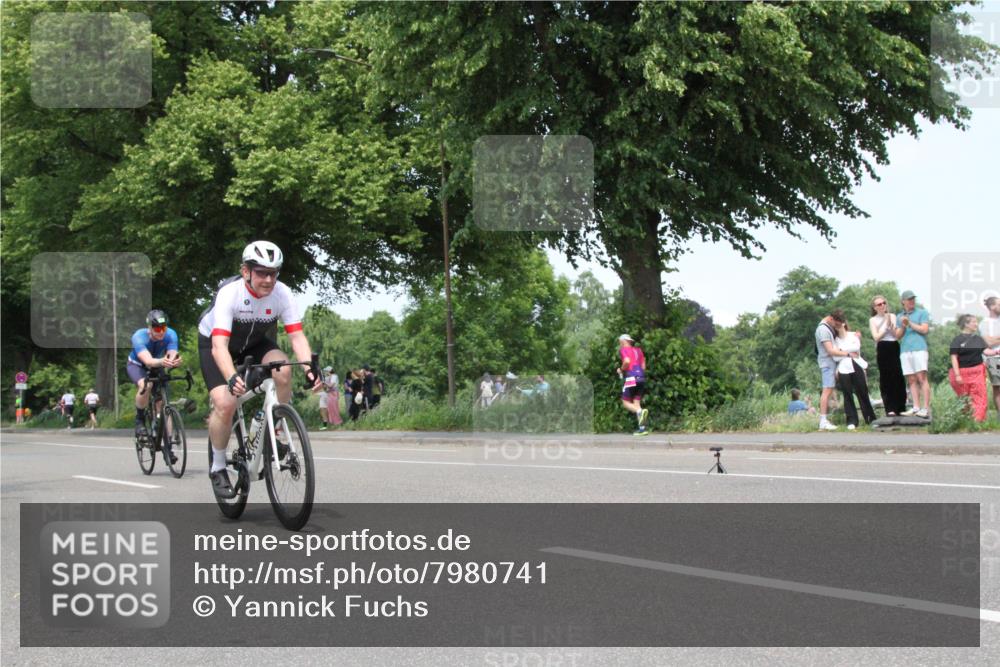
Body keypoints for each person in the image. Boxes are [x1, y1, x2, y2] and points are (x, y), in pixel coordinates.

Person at [198, 241, 321, 496]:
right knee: (225, 403)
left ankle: (273, 432)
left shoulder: (283, 294)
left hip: (254, 342)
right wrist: (231, 376)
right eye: (261, 272)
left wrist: (310, 368)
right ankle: (218, 466)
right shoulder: (229, 294)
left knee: (284, 369)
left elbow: (297, 337)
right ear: (246, 272)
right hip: (218, 344)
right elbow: (219, 346)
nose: (268, 279)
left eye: (273, 273)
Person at [127, 309, 182, 462]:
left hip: (158, 365)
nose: (161, 332)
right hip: (138, 365)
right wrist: (164, 361)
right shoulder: (139, 337)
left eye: (163, 328)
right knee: (147, 385)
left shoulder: (171, 334)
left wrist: (174, 361)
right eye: (157, 328)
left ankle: (168, 446)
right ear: (149, 328)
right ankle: (139, 419)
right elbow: (148, 361)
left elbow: (171, 354)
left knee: (164, 405)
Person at [950, 314, 998, 422]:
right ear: (966, 324)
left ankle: (977, 422)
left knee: (980, 398)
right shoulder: (957, 340)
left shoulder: (978, 339)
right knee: (964, 399)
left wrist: (996, 351)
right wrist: (957, 375)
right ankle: (966, 421)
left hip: (977, 372)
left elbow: (986, 351)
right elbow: (954, 358)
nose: (976, 324)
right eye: (974, 322)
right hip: (961, 374)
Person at [894, 290, 932, 418]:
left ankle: (925, 408)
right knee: (911, 379)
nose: (912, 301)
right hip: (905, 350)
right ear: (903, 301)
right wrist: (904, 326)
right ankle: (915, 407)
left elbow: (924, 329)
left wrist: (909, 322)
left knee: (922, 378)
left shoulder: (922, 312)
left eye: (913, 299)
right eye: (909, 299)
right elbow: (898, 336)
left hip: (919, 348)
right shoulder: (899, 316)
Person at [815, 309, 854, 431]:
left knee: (845, 384)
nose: (837, 327)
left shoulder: (827, 325)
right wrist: (847, 354)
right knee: (827, 391)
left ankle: (868, 399)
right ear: (831, 319)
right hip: (827, 364)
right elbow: (830, 350)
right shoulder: (823, 330)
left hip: (832, 363)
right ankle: (823, 421)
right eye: (836, 324)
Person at [868, 294, 906, 416]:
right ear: (875, 307)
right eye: (879, 304)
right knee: (886, 376)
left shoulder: (892, 316)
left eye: (884, 303)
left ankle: (900, 406)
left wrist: (892, 325)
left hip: (893, 345)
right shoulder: (873, 320)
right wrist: (885, 326)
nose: (883, 305)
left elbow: (895, 334)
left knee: (897, 375)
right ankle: (889, 407)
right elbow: (876, 337)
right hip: (883, 346)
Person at [834, 321, 876, 429]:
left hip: (857, 364)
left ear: (843, 323)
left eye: (839, 323)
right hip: (843, 368)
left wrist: (841, 351)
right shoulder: (835, 340)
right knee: (847, 394)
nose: (837, 326)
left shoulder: (853, 335)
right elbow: (835, 357)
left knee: (862, 392)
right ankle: (852, 420)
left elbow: (856, 349)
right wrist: (847, 353)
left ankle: (870, 418)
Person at [617, 334, 649, 435]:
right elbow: (643, 366)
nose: (620, 344)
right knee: (636, 403)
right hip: (641, 378)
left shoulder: (624, 350)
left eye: (620, 342)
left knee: (625, 402)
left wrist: (621, 370)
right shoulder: (639, 350)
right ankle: (642, 429)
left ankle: (640, 412)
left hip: (631, 377)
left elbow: (627, 361)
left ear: (623, 341)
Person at [980, 296, 1000, 417]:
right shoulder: (984, 323)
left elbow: (993, 340)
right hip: (994, 359)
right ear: (992, 306)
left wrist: (995, 338)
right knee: (998, 388)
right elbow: (989, 342)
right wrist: (993, 340)